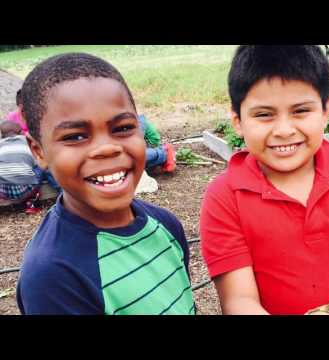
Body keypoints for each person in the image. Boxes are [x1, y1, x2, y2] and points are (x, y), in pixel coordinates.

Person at [200, 45, 329, 315]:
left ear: (325, 111)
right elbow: (239, 300)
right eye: (264, 115)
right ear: (237, 121)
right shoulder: (224, 197)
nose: (284, 130)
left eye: (300, 111)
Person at [16, 53, 195, 315]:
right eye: (76, 136)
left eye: (122, 128)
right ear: (38, 151)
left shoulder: (166, 225)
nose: (107, 149)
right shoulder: (54, 275)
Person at [0, 121, 40, 207]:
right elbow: (35, 161)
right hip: (25, 189)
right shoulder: (27, 141)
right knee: (39, 168)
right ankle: (31, 199)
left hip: (4, 191)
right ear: (20, 132)